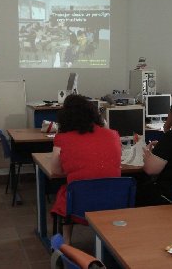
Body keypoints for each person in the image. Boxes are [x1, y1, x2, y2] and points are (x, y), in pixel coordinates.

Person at [50, 94, 122, 244]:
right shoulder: (113, 135)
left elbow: (56, 171)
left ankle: (66, 242)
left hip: (80, 203)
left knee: (67, 190)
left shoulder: (63, 138)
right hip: (113, 200)